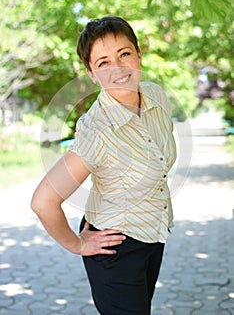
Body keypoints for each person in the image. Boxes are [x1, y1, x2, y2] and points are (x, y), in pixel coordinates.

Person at [31, 16, 177, 315]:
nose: (118, 68)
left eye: (124, 54)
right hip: (116, 248)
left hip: (153, 236)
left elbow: (162, 149)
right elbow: (43, 201)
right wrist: (78, 245)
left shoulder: (156, 97)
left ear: (139, 54)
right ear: (92, 74)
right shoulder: (97, 131)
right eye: (103, 62)